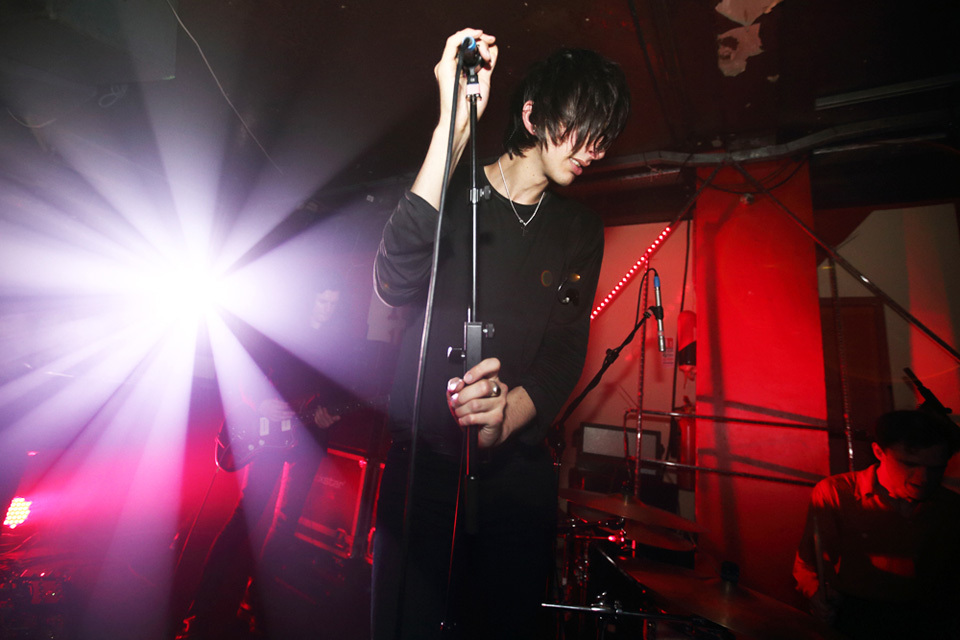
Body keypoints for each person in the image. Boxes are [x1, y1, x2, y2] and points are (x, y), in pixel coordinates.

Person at [371, 28, 630, 640]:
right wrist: (453, 127)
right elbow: (393, 282)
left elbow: (565, 349)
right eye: (583, 128)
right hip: (423, 470)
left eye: (605, 136)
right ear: (532, 115)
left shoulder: (578, 230)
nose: (595, 150)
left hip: (515, 484)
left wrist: (507, 415)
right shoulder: (452, 190)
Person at [178, 272, 363, 640]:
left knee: (285, 528)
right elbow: (242, 374)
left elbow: (334, 394)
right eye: (323, 301)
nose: (327, 309)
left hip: (307, 441)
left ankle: (255, 608)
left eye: (334, 304)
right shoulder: (283, 333)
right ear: (310, 298)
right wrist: (260, 403)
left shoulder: (334, 346)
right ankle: (199, 609)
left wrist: (330, 415)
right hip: (268, 438)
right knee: (243, 521)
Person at [793, 409, 960, 639]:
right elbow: (807, 563)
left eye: (936, 469)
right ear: (879, 452)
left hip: (928, 620)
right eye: (909, 464)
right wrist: (816, 593)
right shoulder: (837, 494)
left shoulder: (951, 507)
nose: (923, 478)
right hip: (856, 617)